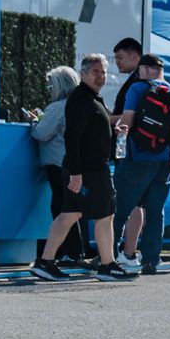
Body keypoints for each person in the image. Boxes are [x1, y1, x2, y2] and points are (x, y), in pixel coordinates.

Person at [31, 53, 130, 282]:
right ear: (82, 73)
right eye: (95, 72)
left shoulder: (93, 98)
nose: (101, 76)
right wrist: (76, 173)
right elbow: (72, 137)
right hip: (89, 171)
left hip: (89, 169)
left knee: (70, 214)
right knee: (105, 215)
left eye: (104, 72)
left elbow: (90, 134)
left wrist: (114, 134)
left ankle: (45, 262)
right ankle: (108, 265)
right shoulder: (80, 99)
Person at [111, 53, 170, 277]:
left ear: (144, 70)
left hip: (136, 159)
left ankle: (107, 257)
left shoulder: (137, 88)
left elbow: (126, 123)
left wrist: (120, 127)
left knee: (120, 209)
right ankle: (151, 260)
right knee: (155, 212)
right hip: (164, 163)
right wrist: (162, 139)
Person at [30, 65, 88, 267]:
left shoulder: (57, 107)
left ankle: (68, 253)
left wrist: (35, 120)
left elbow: (40, 133)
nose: (49, 90)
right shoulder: (79, 104)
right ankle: (76, 252)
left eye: (50, 86)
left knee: (62, 208)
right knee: (74, 208)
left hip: (57, 163)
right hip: (76, 163)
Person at [110, 36, 148, 268]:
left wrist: (104, 116)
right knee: (138, 203)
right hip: (144, 151)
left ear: (136, 56)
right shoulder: (146, 83)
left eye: (120, 58)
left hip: (131, 150)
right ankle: (131, 252)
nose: (117, 63)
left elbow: (129, 118)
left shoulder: (136, 85)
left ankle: (125, 253)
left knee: (129, 203)